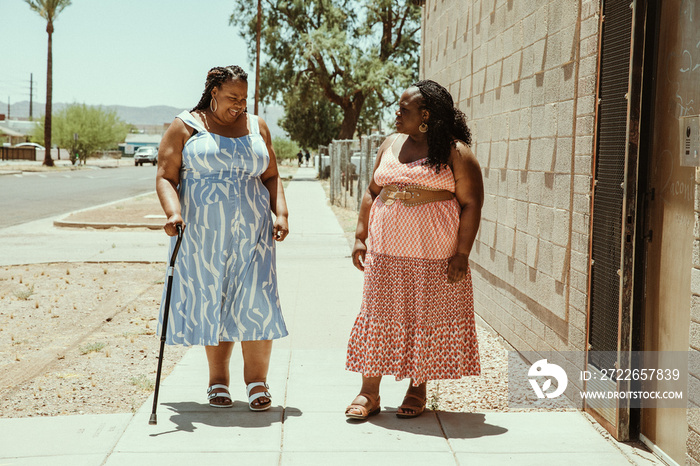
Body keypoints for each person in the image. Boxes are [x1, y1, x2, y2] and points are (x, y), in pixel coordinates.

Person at [345, 80, 483, 420]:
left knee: (425, 318)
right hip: (385, 254)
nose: (396, 113)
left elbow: (472, 204)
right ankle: (369, 392)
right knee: (377, 315)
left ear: (425, 115)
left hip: (433, 257)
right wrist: (361, 236)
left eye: (403, 109)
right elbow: (371, 190)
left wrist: (462, 254)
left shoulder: (455, 152)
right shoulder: (390, 143)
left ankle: (417, 388)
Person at [156, 65, 289, 411]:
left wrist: (282, 213)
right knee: (215, 300)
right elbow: (165, 177)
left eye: (244, 98)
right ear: (214, 92)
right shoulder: (185, 126)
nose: (239, 105)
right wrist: (173, 212)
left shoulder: (256, 126)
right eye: (232, 97)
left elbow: (271, 174)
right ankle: (218, 382)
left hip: (254, 232)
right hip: (202, 234)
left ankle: (258, 382)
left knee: (257, 304)